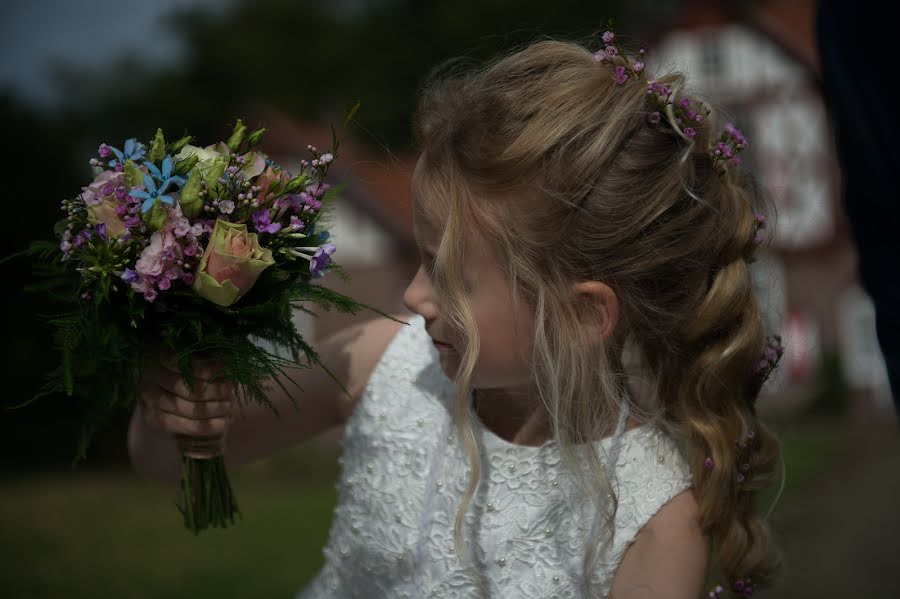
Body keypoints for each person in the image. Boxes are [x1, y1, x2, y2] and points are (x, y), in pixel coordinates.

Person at [129, 35, 782, 599]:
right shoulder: (378, 361)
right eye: (419, 259)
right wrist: (173, 411)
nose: (414, 295)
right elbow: (172, 462)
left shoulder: (655, 518)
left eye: (446, 273)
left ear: (583, 313)